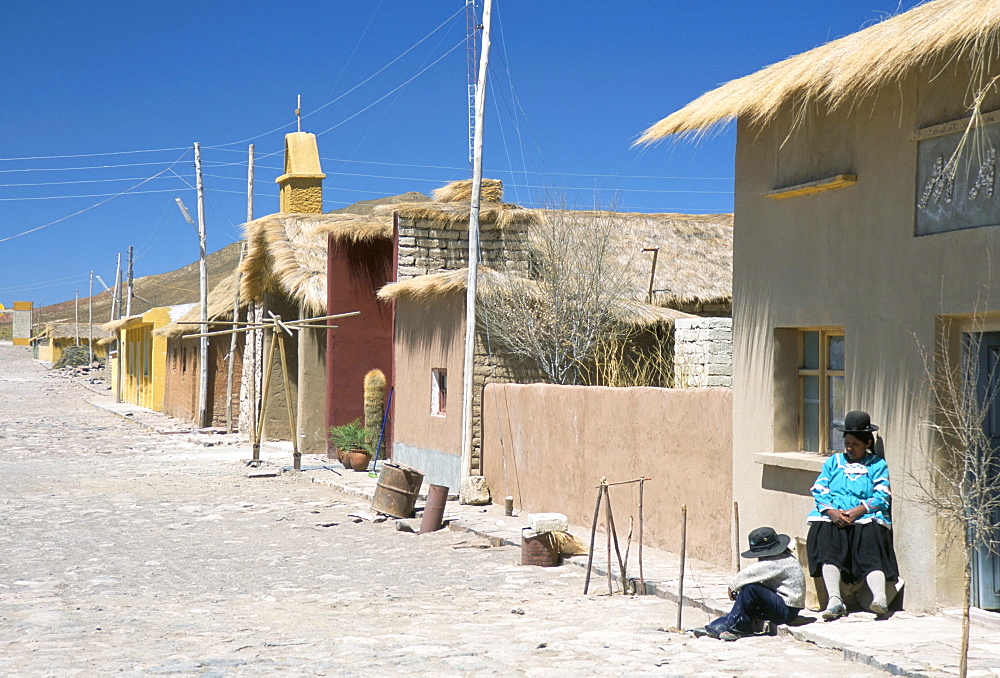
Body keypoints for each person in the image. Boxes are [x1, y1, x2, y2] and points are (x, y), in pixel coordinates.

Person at [807, 410, 899, 619]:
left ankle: (879, 599)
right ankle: (834, 600)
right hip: (835, 515)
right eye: (847, 443)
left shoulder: (877, 465)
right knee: (829, 544)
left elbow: (882, 494)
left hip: (864, 515)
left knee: (870, 545)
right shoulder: (834, 462)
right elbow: (820, 489)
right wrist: (832, 512)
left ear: (867, 443)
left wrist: (859, 511)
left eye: (855, 444)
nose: (850, 448)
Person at [692, 526, 805, 641]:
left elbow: (751, 572)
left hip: (786, 611)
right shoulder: (782, 558)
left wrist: (732, 586)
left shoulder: (778, 562)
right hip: (783, 607)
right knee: (745, 598)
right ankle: (720, 626)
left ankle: (737, 629)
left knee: (751, 588)